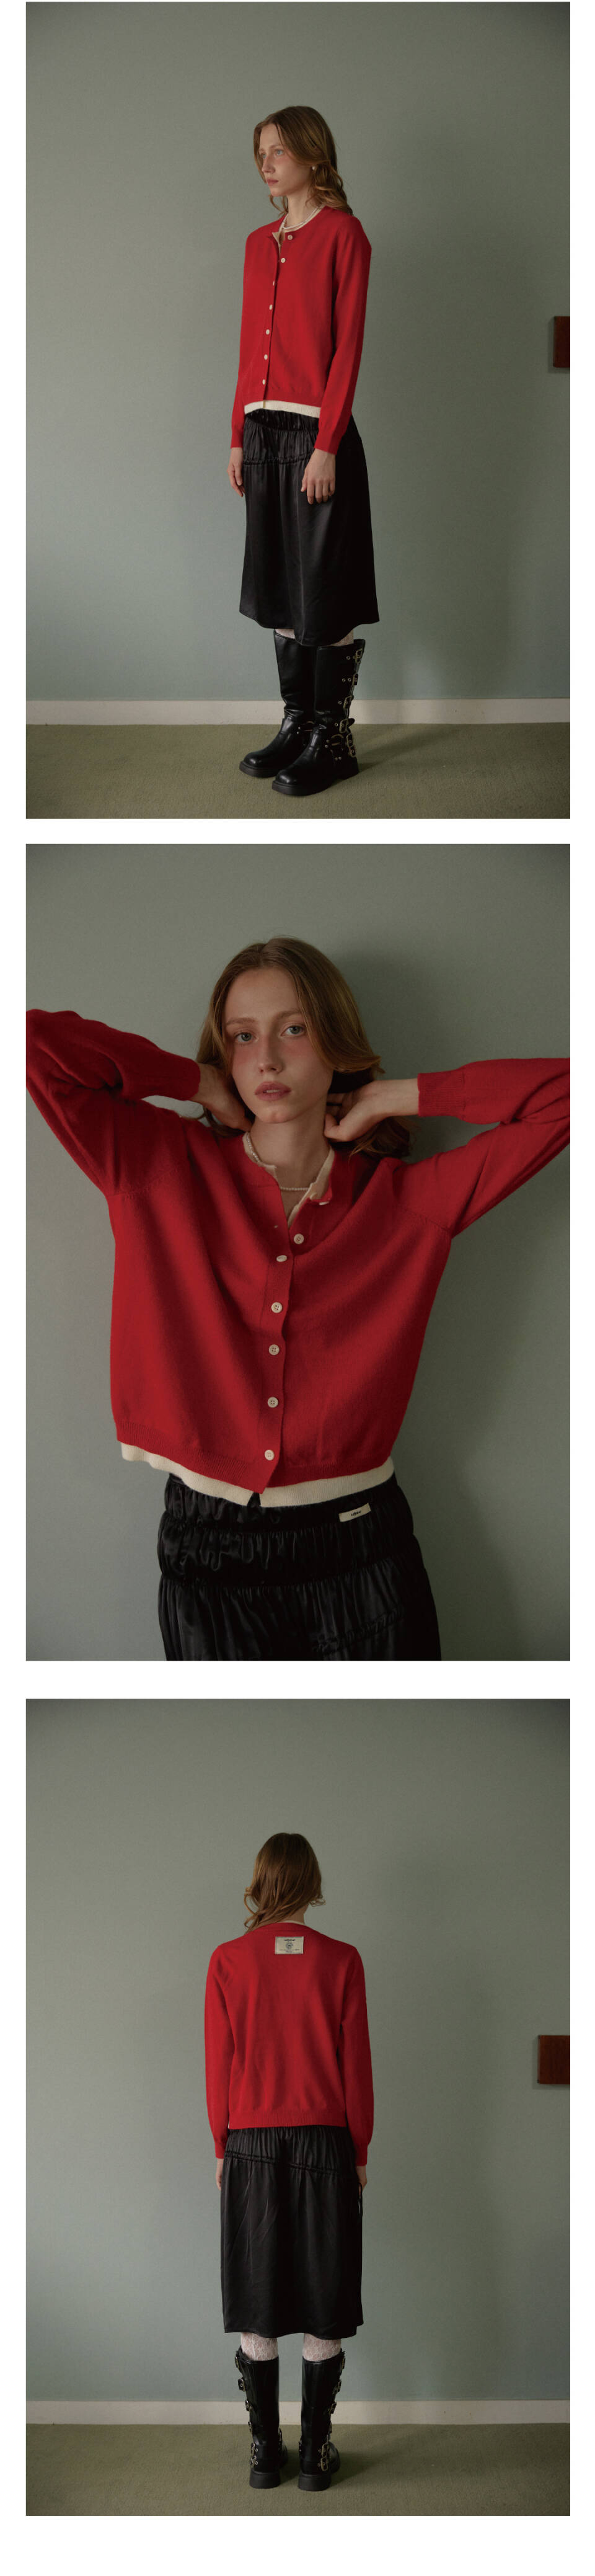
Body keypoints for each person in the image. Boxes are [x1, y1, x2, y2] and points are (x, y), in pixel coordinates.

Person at [26, 935, 570, 1663]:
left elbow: (570, 1094)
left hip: (362, 1543)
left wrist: (394, 1094)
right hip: (207, 1550)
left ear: (335, 1041)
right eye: (242, 1036)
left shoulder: (408, 1201)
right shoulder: (156, 1163)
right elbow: (34, 1042)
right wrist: (197, 1082)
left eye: (294, 1028)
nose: (267, 1060)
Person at [205, 1831, 372, 2491]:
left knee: (258, 2290)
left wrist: (222, 2145)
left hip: (249, 2140)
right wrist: (359, 2147)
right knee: (324, 2290)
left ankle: (264, 2452)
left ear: (260, 1882)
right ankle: (314, 2454)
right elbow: (356, 2065)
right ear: (312, 1882)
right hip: (325, 2140)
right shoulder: (343, 1960)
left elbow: (219, 2062)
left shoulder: (228, 1960)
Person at [227, 107, 378, 796]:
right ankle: (297, 724)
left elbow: (348, 348)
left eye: (280, 151)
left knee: (323, 590)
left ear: (314, 157)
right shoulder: (258, 243)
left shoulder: (345, 234)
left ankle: (332, 738)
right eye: (261, 152)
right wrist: (238, 435)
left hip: (317, 436)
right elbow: (247, 349)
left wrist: (328, 444)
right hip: (262, 432)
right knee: (282, 588)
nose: (267, 163)